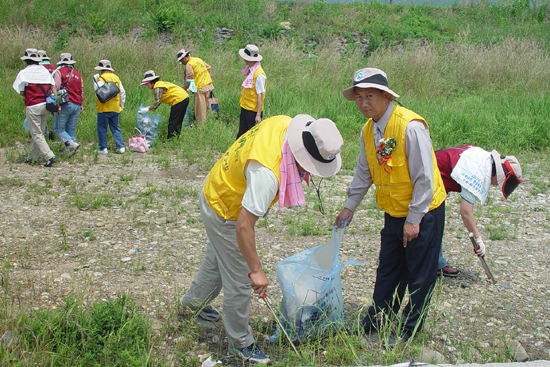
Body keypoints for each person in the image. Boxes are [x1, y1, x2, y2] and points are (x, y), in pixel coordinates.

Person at [179, 114, 343, 364]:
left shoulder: (283, 123)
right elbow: (244, 227)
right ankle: (241, 343)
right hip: (225, 208)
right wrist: (256, 271)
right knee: (240, 281)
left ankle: (191, 305)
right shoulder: (267, 174)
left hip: (218, 185)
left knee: (218, 261)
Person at [334, 68, 447, 345]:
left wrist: (415, 218)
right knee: (388, 268)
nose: (364, 103)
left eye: (370, 96)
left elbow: (424, 177)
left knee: (420, 273)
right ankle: (376, 321)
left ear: (386, 96)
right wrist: (350, 206)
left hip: (424, 212)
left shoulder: (410, 126)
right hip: (394, 211)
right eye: (359, 97)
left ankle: (410, 330)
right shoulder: (369, 130)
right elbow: (364, 172)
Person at [435, 145, 522, 277]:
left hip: (438, 183)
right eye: (497, 183)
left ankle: (436, 263)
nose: (494, 185)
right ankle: (418, 265)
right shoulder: (477, 171)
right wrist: (478, 238)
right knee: (429, 222)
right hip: (427, 176)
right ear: (498, 176)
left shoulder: (484, 159)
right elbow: (465, 211)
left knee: (436, 222)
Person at [12, 48, 57, 167]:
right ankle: (33, 157)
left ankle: (49, 156)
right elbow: (53, 86)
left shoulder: (24, 73)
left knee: (36, 133)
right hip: (46, 105)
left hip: (33, 105)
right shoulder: (44, 71)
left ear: (26, 60)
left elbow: (21, 91)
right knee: (39, 132)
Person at [139, 70, 189, 140]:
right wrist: (150, 108)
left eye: (147, 84)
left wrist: (148, 109)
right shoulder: (161, 83)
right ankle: (175, 138)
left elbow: (157, 101)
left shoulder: (157, 87)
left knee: (173, 121)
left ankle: (171, 140)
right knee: (178, 120)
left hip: (178, 100)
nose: (146, 85)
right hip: (184, 97)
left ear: (151, 82)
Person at [93, 59, 126, 154]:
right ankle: (121, 147)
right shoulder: (116, 78)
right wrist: (121, 105)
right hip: (115, 107)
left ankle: (103, 148)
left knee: (102, 128)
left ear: (101, 70)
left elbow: (98, 90)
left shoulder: (101, 78)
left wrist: (94, 81)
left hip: (103, 108)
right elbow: (122, 92)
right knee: (115, 127)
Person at [53, 53, 83, 156]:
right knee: (71, 128)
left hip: (65, 103)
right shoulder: (78, 74)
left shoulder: (59, 72)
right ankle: (72, 152)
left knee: (58, 128)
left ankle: (71, 144)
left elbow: (56, 87)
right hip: (77, 104)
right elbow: (81, 90)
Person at [236, 44, 266, 139]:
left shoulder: (259, 74)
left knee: (252, 136)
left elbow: (260, 95)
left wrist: (258, 115)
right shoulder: (250, 70)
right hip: (245, 106)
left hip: (253, 111)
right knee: (242, 134)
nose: (244, 60)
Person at [176, 49, 214, 124]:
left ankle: (201, 128)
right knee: (204, 108)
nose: (181, 63)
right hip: (208, 86)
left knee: (200, 111)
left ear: (184, 58)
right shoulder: (197, 59)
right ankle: (202, 124)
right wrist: (203, 76)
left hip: (200, 88)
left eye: (181, 61)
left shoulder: (189, 65)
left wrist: (184, 89)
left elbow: (189, 79)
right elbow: (208, 67)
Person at [38, 49, 56, 140]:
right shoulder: (53, 67)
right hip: (52, 95)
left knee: (41, 116)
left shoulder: (38, 68)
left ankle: (44, 132)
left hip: (42, 95)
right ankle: (56, 131)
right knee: (55, 114)